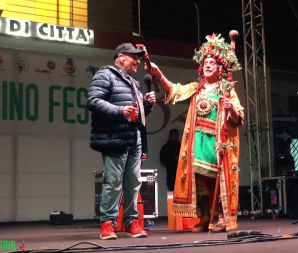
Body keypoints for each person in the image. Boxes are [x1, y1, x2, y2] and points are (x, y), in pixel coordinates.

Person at [148, 33, 244, 232]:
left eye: (213, 63)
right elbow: (173, 91)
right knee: (199, 180)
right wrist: (158, 74)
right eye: (206, 62)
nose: (208, 65)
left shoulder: (226, 89)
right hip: (197, 142)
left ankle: (221, 217)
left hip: (217, 142)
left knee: (217, 180)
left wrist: (231, 109)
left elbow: (237, 119)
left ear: (220, 69)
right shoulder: (196, 88)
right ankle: (204, 216)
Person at [88, 43, 156, 240]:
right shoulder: (105, 75)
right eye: (134, 57)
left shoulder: (133, 82)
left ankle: (130, 222)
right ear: (121, 57)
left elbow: (136, 114)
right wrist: (120, 111)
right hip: (115, 138)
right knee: (113, 183)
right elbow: (93, 101)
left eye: (138, 58)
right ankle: (108, 223)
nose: (138, 61)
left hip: (134, 138)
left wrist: (147, 106)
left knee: (133, 182)